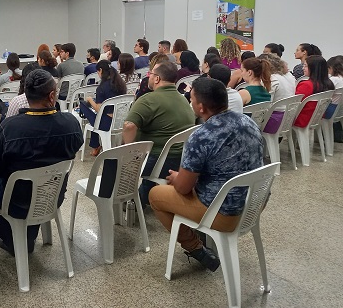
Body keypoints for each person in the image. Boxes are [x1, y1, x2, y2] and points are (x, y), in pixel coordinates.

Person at [148, 78, 263, 272]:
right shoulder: (248, 121)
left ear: (200, 107)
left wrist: (177, 178)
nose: (190, 102)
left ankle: (195, 248)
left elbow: (183, 187)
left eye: (191, 99)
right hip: (254, 205)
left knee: (155, 195)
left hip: (224, 214)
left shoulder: (202, 136)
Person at [0, 70, 84, 254]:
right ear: (52, 96)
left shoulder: (9, 128)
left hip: (17, 201)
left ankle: (14, 237)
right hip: (53, 196)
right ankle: (26, 233)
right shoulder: (71, 124)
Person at [122, 61, 196, 207]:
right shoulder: (184, 100)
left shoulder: (148, 100)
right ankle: (143, 198)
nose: (148, 77)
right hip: (182, 161)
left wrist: (129, 154)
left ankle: (125, 200)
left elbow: (129, 126)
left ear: (157, 79)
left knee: (114, 159)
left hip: (156, 161)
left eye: (151, 74)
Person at [80, 60, 127, 156]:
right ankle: (95, 146)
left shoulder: (101, 88)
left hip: (106, 123)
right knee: (97, 118)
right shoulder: (120, 84)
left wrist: (90, 100)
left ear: (100, 70)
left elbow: (98, 108)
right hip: (120, 120)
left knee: (83, 104)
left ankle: (95, 146)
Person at [294, 55, 334, 128]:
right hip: (317, 118)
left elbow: (295, 103)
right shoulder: (328, 84)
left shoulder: (306, 84)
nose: (303, 68)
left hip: (303, 119)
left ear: (313, 68)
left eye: (305, 66)